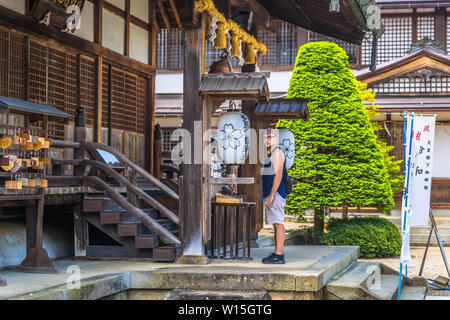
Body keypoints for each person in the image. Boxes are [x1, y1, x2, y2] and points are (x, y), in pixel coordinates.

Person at [262, 128, 287, 264]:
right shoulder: (272, 152)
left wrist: (271, 195)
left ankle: (279, 254)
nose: (267, 140)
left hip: (276, 193)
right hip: (271, 193)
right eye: (265, 137)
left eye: (270, 137)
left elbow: (278, 175)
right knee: (276, 224)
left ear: (276, 138)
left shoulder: (277, 152)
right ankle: (277, 252)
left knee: (278, 223)